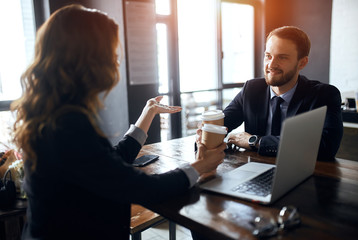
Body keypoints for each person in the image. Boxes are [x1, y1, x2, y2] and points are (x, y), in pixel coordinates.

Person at [11, 4, 226, 240]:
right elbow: (139, 188)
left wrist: (147, 114)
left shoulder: (54, 113)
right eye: (111, 52)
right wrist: (201, 166)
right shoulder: (66, 124)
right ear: (89, 59)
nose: (116, 60)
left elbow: (106, 167)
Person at [224, 26, 343, 161]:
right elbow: (223, 123)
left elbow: (326, 147)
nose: (271, 64)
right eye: (268, 56)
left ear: (302, 63)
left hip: (301, 174)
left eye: (282, 57)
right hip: (255, 171)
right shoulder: (251, 89)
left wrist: (256, 142)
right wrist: (205, 135)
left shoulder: (324, 95)